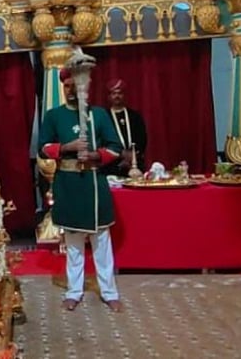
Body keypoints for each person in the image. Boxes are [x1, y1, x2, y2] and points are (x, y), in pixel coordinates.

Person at [38, 68, 124, 312]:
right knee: (73, 243)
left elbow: (116, 147)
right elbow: (43, 148)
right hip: (68, 184)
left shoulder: (98, 115)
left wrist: (96, 155)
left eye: (75, 85)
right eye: (67, 86)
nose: (71, 90)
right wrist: (67, 147)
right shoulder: (54, 116)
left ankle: (109, 292)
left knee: (101, 242)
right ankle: (74, 291)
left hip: (93, 183)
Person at [104, 79, 148, 177]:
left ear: (124, 95)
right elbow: (103, 141)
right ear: (109, 97)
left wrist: (131, 156)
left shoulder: (135, 116)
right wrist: (120, 155)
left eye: (120, 93)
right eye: (113, 93)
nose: (117, 96)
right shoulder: (104, 117)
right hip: (112, 166)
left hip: (134, 165)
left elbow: (142, 139)